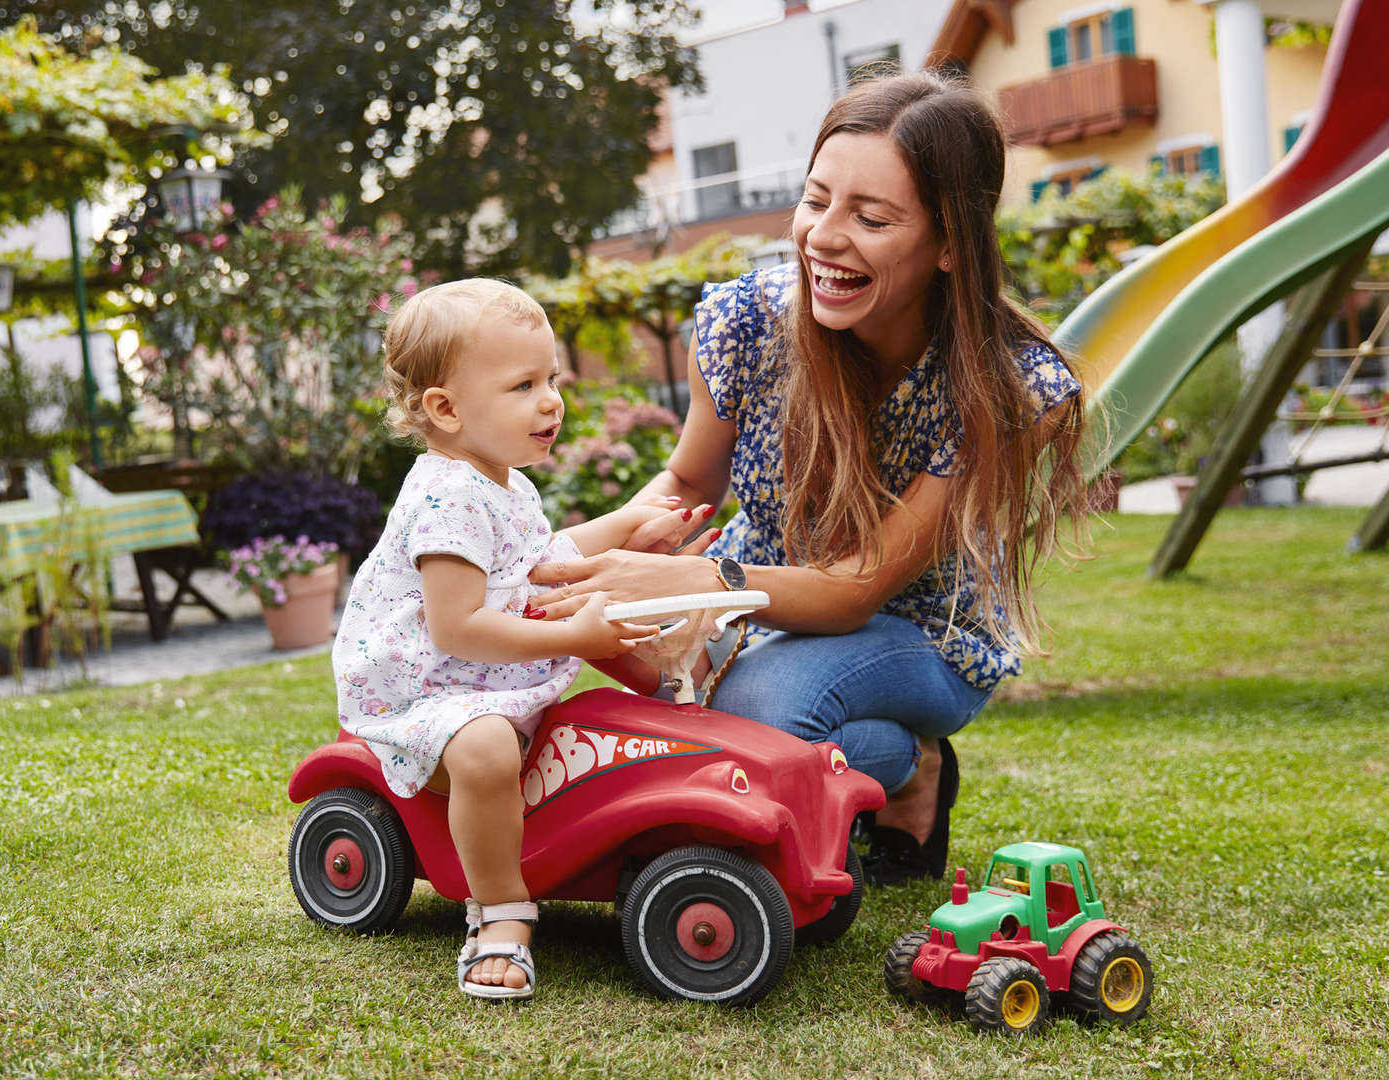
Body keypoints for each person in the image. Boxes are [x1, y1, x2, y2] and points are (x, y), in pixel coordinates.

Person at [528, 70, 1088, 886]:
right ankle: (903, 762)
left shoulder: (1008, 392)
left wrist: (696, 581)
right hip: (757, 607)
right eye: (815, 200)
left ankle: (877, 768)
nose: (824, 236)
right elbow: (688, 483)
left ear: (948, 244)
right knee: (632, 663)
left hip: (923, 636)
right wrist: (581, 553)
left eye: (870, 217)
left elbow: (858, 589)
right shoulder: (748, 322)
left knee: (755, 711)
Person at [333, 278, 712, 999]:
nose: (551, 401)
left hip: (474, 677)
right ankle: (500, 912)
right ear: (445, 409)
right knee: (486, 747)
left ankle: (673, 695)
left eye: (553, 379)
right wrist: (573, 630)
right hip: (425, 692)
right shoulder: (447, 496)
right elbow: (458, 626)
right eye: (523, 385)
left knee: (577, 698)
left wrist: (631, 526)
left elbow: (539, 558)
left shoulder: (500, 481)